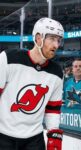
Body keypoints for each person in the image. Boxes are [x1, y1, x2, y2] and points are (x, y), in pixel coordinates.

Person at [0, 17, 64, 150]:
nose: (56, 45)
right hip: (3, 135)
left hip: (34, 139)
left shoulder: (57, 72)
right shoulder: (8, 58)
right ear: (39, 38)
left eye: (58, 40)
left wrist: (54, 136)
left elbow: (53, 108)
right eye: (52, 38)